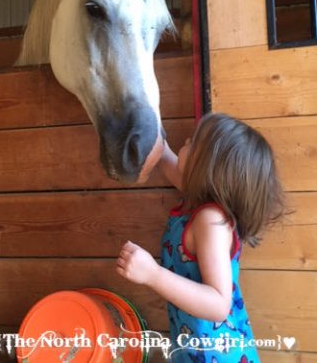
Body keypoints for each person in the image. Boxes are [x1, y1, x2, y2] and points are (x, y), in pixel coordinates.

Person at [117, 113, 287, 362]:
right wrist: (157, 140)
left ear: (208, 168)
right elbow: (168, 161)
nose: (186, 140)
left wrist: (152, 274)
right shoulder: (202, 201)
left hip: (215, 355)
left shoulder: (210, 221)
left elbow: (218, 306)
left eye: (193, 143)